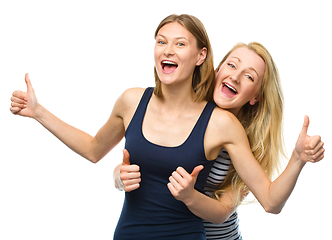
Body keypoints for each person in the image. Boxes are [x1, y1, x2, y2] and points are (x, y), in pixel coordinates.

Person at [10, 14, 324, 240]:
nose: (168, 50)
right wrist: (39, 112)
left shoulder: (226, 126)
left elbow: (261, 203)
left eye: (179, 43)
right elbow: (95, 149)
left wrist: (297, 158)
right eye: (161, 41)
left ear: (201, 56)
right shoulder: (132, 101)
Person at [114, 42, 325, 239]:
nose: (235, 77)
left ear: (256, 97)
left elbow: (268, 203)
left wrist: (298, 158)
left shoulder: (248, 144)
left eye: (249, 77)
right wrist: (118, 176)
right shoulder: (183, 114)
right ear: (217, 71)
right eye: (231, 65)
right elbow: (146, 163)